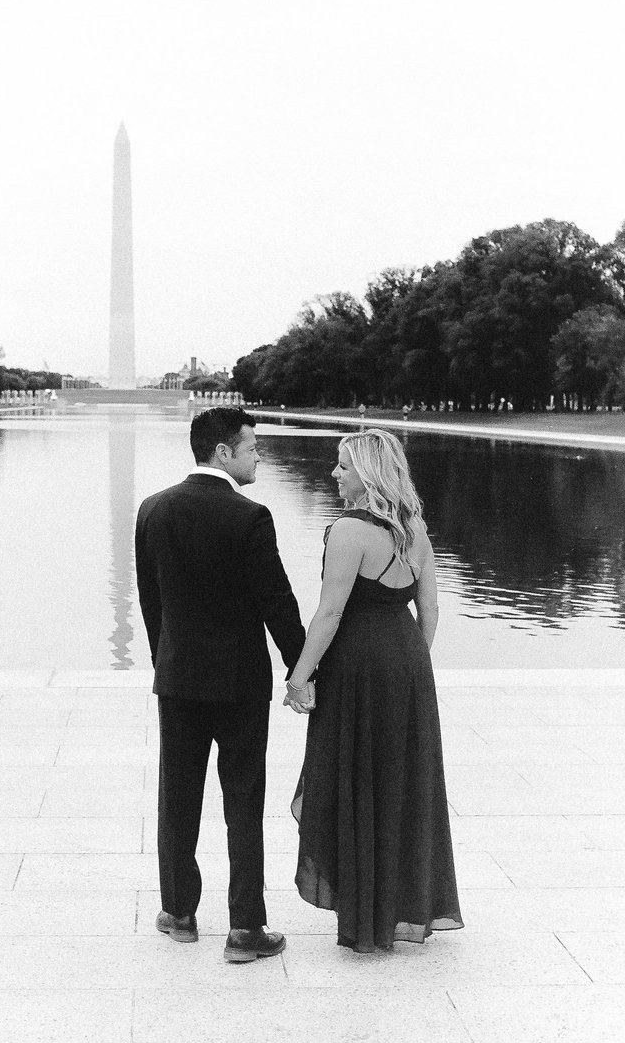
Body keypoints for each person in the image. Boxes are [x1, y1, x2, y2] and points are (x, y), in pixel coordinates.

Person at [135, 406, 305, 963]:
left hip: (178, 680)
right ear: (224, 453)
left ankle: (180, 913)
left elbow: (152, 604)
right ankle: (243, 930)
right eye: (253, 447)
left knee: (177, 799)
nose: (259, 457)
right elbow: (276, 604)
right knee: (243, 804)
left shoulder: (152, 511)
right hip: (239, 685)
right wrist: (301, 670)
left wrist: (170, 660)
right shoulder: (250, 517)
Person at [285, 428, 463, 952]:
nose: (335, 474)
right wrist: (410, 667)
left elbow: (331, 612)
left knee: (355, 777)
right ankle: (401, 905)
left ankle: (364, 911)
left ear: (367, 473)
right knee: (400, 781)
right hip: (407, 665)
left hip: (356, 669)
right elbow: (429, 610)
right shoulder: (416, 528)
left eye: (342, 466)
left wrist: (299, 675)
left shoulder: (347, 531)